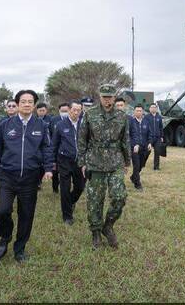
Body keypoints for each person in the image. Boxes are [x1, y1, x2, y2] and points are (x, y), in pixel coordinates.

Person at [0, 90, 54, 263]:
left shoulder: (41, 126)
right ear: (17, 104)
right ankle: (5, 235)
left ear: (34, 104)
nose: (26, 104)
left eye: (30, 101)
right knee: (2, 210)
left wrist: (48, 168)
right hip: (8, 176)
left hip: (30, 177)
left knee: (26, 214)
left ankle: (20, 248)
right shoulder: (5, 125)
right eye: (23, 101)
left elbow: (46, 148)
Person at [77, 83, 130, 249]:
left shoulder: (122, 116)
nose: (108, 100)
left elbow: (125, 140)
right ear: (100, 97)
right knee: (95, 200)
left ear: (114, 97)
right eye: (105, 97)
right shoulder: (90, 114)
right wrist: (82, 162)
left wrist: (127, 161)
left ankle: (108, 226)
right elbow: (82, 139)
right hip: (95, 162)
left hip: (115, 162)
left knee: (119, 197)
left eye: (111, 97)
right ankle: (96, 232)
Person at [51, 100, 84, 224]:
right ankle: (67, 216)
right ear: (69, 110)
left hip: (80, 161)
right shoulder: (60, 125)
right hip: (64, 160)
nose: (76, 112)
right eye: (74, 110)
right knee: (65, 188)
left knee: (80, 187)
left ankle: (70, 202)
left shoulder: (84, 124)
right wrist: (53, 162)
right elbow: (54, 144)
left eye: (78, 110)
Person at [128, 104, 151, 191]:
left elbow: (150, 134)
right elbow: (129, 136)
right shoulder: (131, 122)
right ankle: (137, 184)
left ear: (142, 112)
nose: (138, 112)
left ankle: (133, 177)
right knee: (136, 166)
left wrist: (149, 143)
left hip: (144, 148)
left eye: (140, 111)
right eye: (137, 110)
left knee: (141, 165)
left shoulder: (146, 122)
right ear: (134, 112)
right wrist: (134, 145)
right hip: (134, 148)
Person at [36, 102, 58, 193]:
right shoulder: (34, 119)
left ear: (46, 111)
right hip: (37, 145)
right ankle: (38, 182)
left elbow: (53, 132)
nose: (41, 112)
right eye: (40, 110)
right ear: (36, 111)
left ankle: (54, 186)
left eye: (43, 110)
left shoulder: (51, 120)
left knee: (50, 165)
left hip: (48, 144)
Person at [144, 103, 164, 170]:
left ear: (156, 108)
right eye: (152, 107)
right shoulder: (146, 117)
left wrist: (161, 136)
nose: (153, 108)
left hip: (157, 138)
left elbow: (161, 127)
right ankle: (142, 163)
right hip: (149, 138)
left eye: (154, 107)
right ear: (149, 109)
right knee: (147, 151)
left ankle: (156, 167)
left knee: (157, 152)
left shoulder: (159, 117)